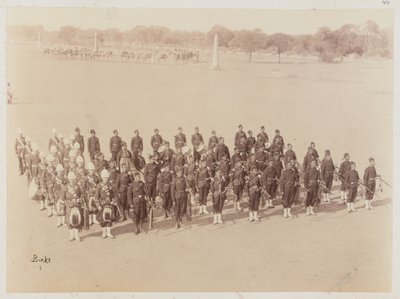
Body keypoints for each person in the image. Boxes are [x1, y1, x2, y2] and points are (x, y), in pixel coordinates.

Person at [94, 169, 117, 239]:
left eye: (106, 177)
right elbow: (96, 197)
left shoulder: (111, 185)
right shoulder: (99, 185)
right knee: (103, 219)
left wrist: (114, 201)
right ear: (101, 177)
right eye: (104, 177)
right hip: (102, 204)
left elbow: (116, 195)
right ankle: (104, 233)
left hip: (110, 204)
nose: (105, 179)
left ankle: (109, 232)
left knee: (109, 219)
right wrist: (98, 206)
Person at [63, 171, 85, 241]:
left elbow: (82, 195)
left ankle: (77, 235)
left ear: (75, 179)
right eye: (71, 179)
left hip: (77, 205)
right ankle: (71, 235)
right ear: (68, 179)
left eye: (73, 179)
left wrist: (80, 199)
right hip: (69, 205)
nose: (72, 180)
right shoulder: (65, 187)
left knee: (77, 219)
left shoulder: (78, 186)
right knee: (69, 219)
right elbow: (62, 197)